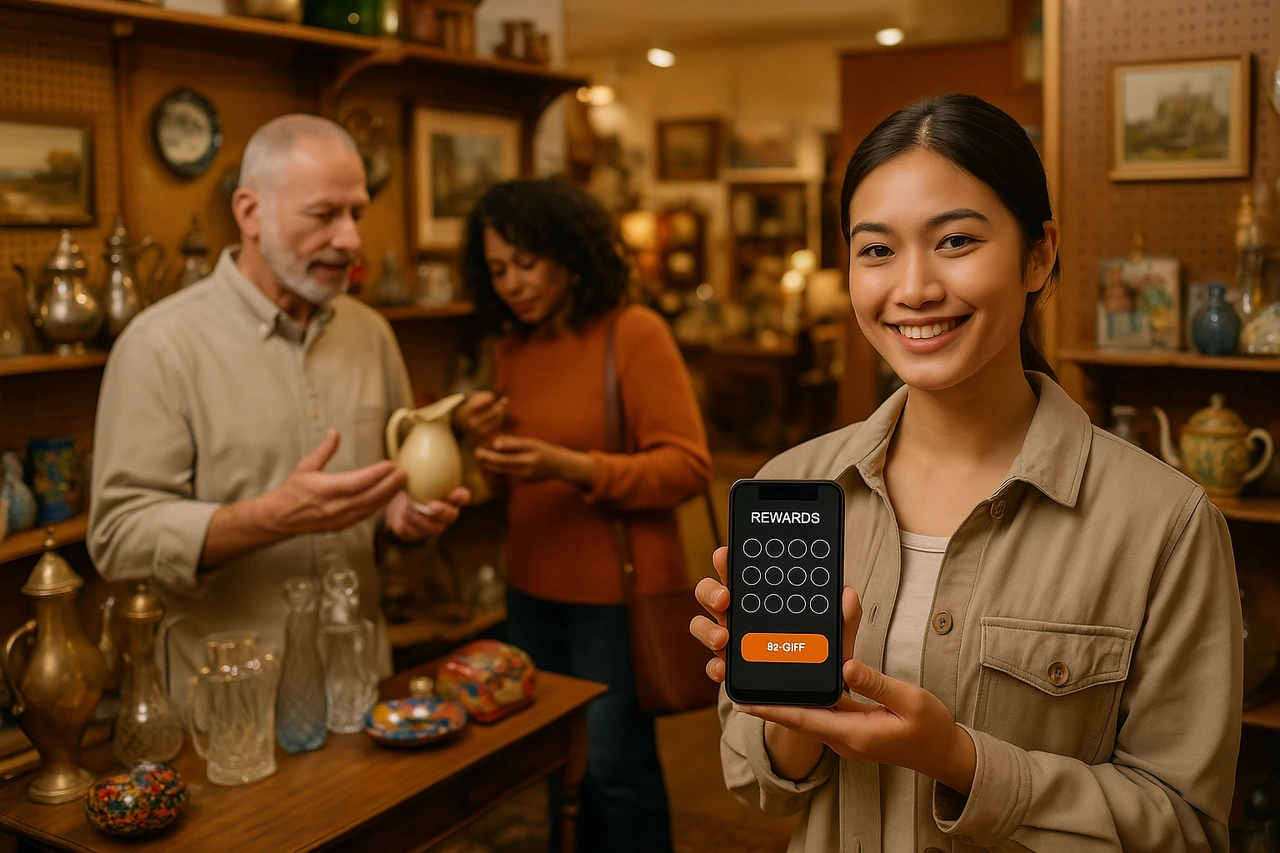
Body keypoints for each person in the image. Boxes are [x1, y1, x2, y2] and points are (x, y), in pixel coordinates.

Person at [691, 94, 1241, 852]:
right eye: (876, 250)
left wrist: (957, 758)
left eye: (954, 240)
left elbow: (1186, 828)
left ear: (1039, 254)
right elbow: (756, 783)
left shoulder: (1163, 523)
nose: (912, 287)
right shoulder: (795, 481)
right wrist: (794, 711)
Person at [89, 114, 469, 700]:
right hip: (229, 710)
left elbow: (394, 489)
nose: (351, 240)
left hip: (359, 687)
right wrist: (271, 518)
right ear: (250, 212)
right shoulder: (158, 345)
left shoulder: (371, 334)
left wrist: (405, 520)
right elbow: (117, 536)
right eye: (324, 215)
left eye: (357, 214)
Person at [453, 178, 712, 853]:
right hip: (530, 588)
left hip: (613, 596)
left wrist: (570, 465)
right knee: (556, 765)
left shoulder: (633, 332)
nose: (513, 284)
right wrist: (486, 449)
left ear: (570, 253)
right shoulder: (511, 345)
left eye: (527, 263)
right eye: (498, 268)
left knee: (615, 769)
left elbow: (687, 465)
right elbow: (514, 483)